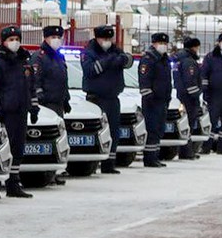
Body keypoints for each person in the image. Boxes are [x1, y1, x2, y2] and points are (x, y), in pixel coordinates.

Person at [0, 26, 36, 198]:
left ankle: (13, 183)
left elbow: (31, 87)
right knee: (4, 149)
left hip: (21, 111)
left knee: (18, 148)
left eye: (17, 39)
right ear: (4, 42)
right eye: (11, 40)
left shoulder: (24, 62)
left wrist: (33, 107)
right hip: (6, 112)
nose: (15, 43)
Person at [80, 24, 133, 174]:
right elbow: (90, 70)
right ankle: (93, 162)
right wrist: (108, 61)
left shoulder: (115, 50)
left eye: (110, 38)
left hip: (112, 98)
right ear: (97, 38)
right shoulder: (89, 52)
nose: (108, 41)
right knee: (98, 131)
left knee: (114, 132)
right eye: (105, 38)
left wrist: (121, 59)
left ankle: (109, 163)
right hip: (96, 99)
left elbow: (128, 60)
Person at [30, 25, 70, 185]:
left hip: (58, 104)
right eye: (53, 37)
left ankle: (54, 171)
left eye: (58, 37)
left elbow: (63, 80)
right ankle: (45, 172)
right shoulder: (39, 57)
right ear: (45, 38)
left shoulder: (59, 57)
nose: (56, 40)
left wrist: (66, 99)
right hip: (45, 105)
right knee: (46, 140)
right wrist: (40, 98)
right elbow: (35, 80)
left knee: (57, 140)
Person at [138, 32, 174, 167]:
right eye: (161, 43)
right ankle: (149, 158)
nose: (163, 46)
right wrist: (149, 96)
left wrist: (168, 97)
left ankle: (155, 156)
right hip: (152, 101)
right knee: (152, 129)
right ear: (154, 44)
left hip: (162, 100)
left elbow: (167, 81)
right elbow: (144, 79)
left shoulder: (164, 59)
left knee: (159, 128)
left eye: (165, 44)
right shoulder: (149, 59)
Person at [172, 37, 203, 160]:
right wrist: (196, 94)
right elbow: (190, 81)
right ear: (193, 47)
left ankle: (186, 150)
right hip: (189, 98)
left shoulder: (178, 59)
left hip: (182, 96)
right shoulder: (188, 61)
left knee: (186, 124)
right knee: (188, 123)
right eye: (197, 47)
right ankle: (186, 152)